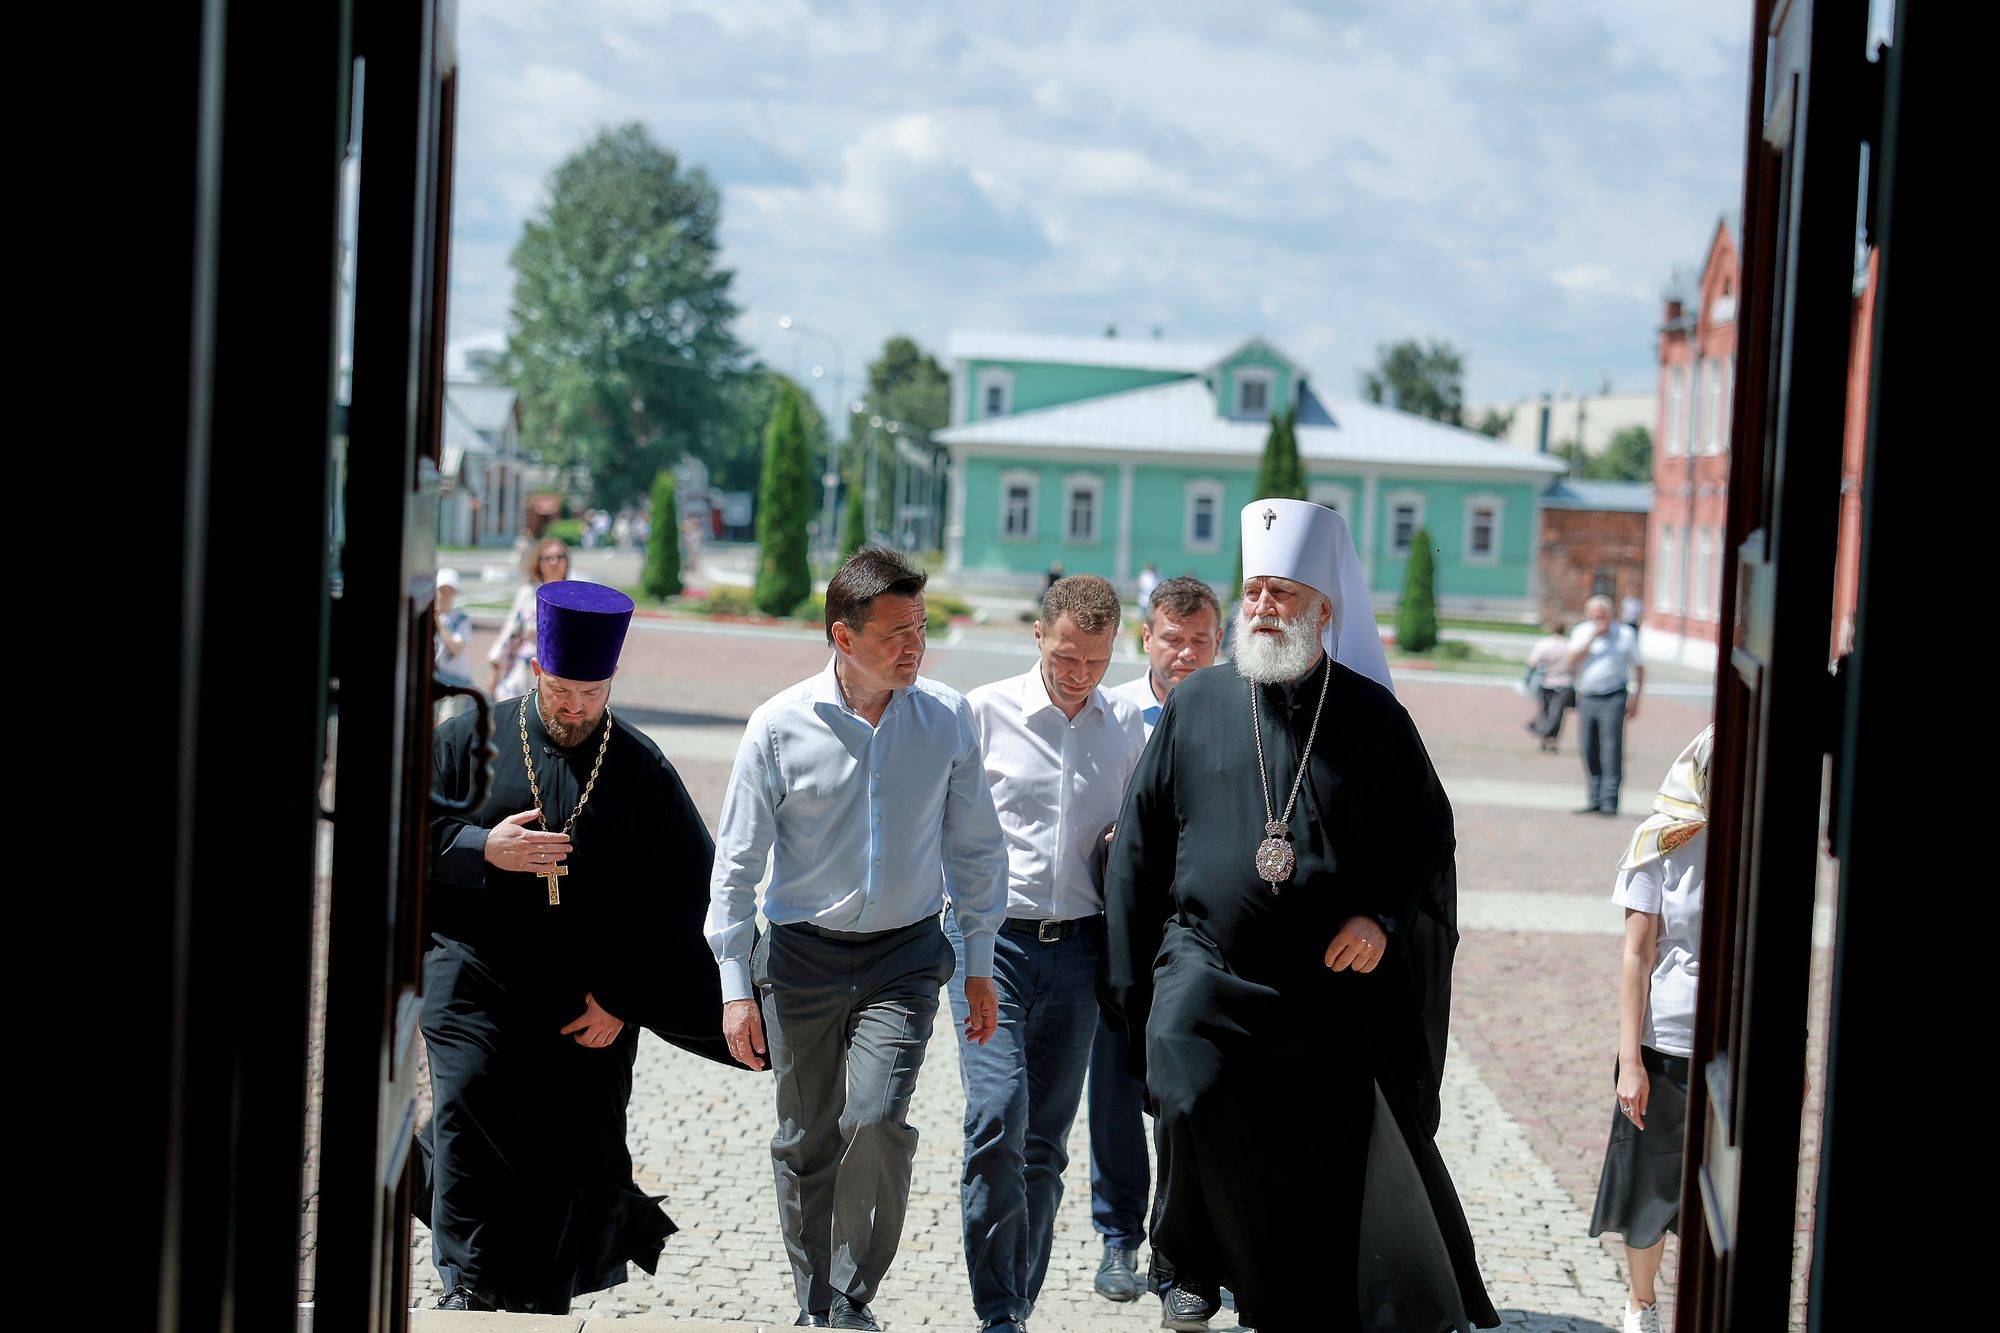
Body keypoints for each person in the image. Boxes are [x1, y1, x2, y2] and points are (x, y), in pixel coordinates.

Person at [1102, 499, 1497, 1333]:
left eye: (1283, 592)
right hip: (1202, 958)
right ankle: (1186, 1265)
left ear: (1324, 609)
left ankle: (1284, 1280)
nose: (1262, 607)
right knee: (1189, 1087)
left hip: (1321, 980)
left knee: (1309, 1133)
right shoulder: (1199, 701)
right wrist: (1128, 982)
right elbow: (1138, 840)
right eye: (1254, 590)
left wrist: (1383, 918)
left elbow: (1428, 831)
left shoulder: (1373, 717)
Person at [707, 547, 1009, 1331]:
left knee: (873, 1118)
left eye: (920, 628)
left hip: (904, 956)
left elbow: (976, 849)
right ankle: (814, 1304)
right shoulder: (777, 728)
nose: (913, 647)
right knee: (806, 1136)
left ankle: (849, 1296)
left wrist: (979, 963)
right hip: (799, 956)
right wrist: (735, 986)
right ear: (842, 638)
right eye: (894, 634)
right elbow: (736, 863)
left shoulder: (946, 718)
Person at [418, 580, 740, 1313]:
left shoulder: (642, 770)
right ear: (536, 670)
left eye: (590, 694)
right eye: (561, 690)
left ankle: (536, 1298)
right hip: (475, 974)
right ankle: (465, 1283)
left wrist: (626, 999)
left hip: (586, 997)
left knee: (566, 1154)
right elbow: (404, 835)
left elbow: (691, 897)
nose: (573, 708)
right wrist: (481, 848)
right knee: (466, 1103)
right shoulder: (467, 739)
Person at [949, 575, 1149, 1333]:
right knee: (996, 1117)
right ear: (1039, 636)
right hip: (993, 943)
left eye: (1095, 661)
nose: (1078, 674)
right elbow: (946, 826)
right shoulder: (984, 713)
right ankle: (997, 1303)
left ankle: (1013, 1308)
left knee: (1044, 1143)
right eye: (1067, 656)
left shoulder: (1128, 725)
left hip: (1081, 951)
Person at [1090, 575, 1221, 1308]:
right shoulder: (1109, 717)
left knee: (1192, 1094)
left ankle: (1200, 1240)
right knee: (1114, 1086)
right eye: (1175, 638)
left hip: (1199, 934)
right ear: (1148, 637)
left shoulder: (1236, 714)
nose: (1188, 653)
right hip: (1119, 930)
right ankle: (1117, 1235)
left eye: (1202, 640)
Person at [1589, 726, 1713, 1333]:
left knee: (1721, 1188)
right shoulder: (1658, 842)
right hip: (1666, 1042)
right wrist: (1630, 1059)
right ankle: (1642, 1303)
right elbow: (1637, 956)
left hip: (1733, 1045)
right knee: (1653, 1181)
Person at [1567, 595, 1646, 816]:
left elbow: (1639, 667)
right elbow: (1571, 659)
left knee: (1611, 748)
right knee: (1587, 747)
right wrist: (1592, 637)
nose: (1598, 619)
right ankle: (1593, 798)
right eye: (1594, 615)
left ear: (1610, 615)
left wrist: (1636, 697)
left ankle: (1609, 801)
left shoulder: (1624, 635)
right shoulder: (1582, 632)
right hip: (1587, 696)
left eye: (1602, 615)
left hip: (1613, 696)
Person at [489, 536, 571, 700]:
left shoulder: (573, 596)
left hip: (562, 674)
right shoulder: (528, 594)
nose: (554, 562)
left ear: (566, 561)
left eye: (559, 557)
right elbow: (511, 632)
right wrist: (495, 668)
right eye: (548, 557)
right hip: (527, 671)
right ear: (539, 562)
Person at [1524, 619, 1576, 753]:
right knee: (1558, 713)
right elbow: (1574, 665)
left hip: (1547, 681)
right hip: (1564, 683)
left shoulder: (1543, 644)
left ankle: (1543, 734)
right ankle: (1552, 739)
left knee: (1545, 710)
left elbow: (1533, 662)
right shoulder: (1569, 645)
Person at [434, 568, 474, 719]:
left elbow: (456, 648)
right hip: (435, 678)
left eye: (449, 590)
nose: (444, 594)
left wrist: (439, 622)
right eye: (441, 589)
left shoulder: (461, 618)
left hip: (456, 682)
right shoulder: (427, 616)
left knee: (447, 723)